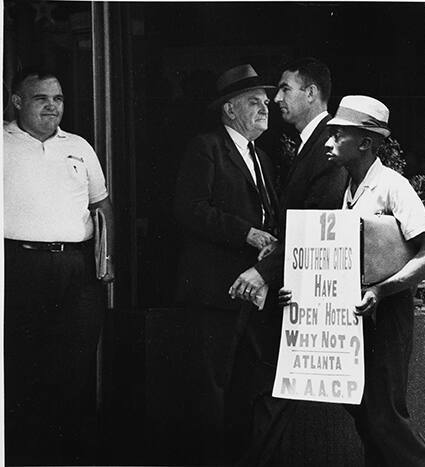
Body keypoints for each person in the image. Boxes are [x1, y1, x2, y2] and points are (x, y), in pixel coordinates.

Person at [280, 95, 425, 466]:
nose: (328, 142)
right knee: (363, 412)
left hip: (386, 312)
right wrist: (300, 290)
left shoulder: (393, 186)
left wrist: (381, 290)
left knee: (384, 415)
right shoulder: (342, 188)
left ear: (366, 143)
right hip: (352, 315)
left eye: (338, 135)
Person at [3, 68, 115, 465]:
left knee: (75, 367)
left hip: (77, 268)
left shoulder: (79, 146)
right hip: (18, 266)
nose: (53, 107)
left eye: (58, 99)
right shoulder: (2, 142)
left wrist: (105, 263)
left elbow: (100, 206)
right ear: (17, 101)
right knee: (22, 366)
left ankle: (69, 455)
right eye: (41, 99)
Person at [173, 63, 281, 465]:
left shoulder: (262, 158)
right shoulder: (207, 147)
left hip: (253, 295)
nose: (264, 107)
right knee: (210, 391)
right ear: (229, 110)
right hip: (214, 293)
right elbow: (188, 209)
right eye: (254, 102)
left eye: (266, 101)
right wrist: (246, 233)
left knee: (246, 388)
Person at [230, 58, 348, 300]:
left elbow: (318, 226)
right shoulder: (313, 142)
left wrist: (264, 272)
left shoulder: (328, 145)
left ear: (311, 93)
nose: (276, 99)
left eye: (285, 89)